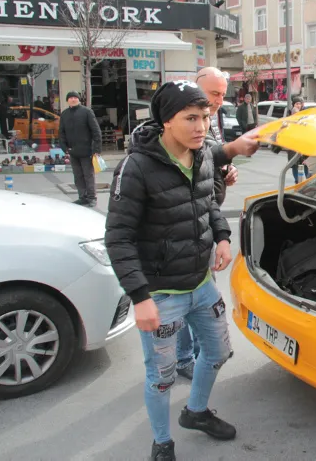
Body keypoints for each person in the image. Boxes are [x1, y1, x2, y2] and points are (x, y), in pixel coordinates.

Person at [105, 80, 258, 461]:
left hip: (202, 284)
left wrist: (222, 237)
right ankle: (162, 443)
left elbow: (207, 204)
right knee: (161, 377)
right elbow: (119, 238)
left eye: (205, 117)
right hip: (160, 294)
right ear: (166, 121)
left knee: (218, 352)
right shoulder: (136, 168)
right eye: (191, 118)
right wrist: (140, 297)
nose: (201, 126)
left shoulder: (202, 154)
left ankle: (196, 412)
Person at [175, 67, 239, 380]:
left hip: (206, 216)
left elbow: (210, 163)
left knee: (200, 292)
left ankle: (202, 351)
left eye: (222, 94)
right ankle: (187, 357)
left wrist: (227, 173)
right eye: (214, 93)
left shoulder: (211, 119)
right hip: (185, 225)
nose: (218, 100)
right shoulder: (183, 124)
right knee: (190, 296)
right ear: (197, 87)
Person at [59, 91, 101, 207]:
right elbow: (61, 132)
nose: (73, 99)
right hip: (73, 151)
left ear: (79, 99)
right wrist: (64, 148)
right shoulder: (64, 114)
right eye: (70, 98)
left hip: (87, 151)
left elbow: (96, 131)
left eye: (75, 97)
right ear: (67, 100)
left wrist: (96, 149)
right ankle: (82, 197)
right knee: (78, 176)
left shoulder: (87, 112)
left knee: (88, 175)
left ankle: (91, 198)